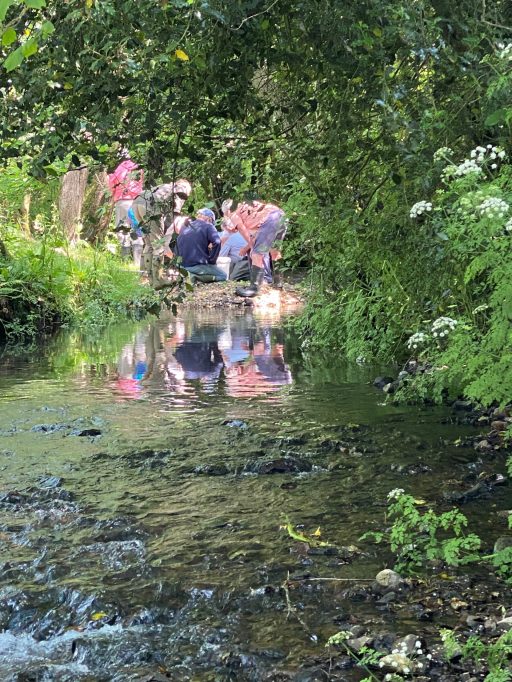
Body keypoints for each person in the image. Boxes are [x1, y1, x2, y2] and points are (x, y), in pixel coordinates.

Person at [131, 179, 192, 288]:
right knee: (158, 244)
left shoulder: (165, 186)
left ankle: (145, 277)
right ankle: (158, 279)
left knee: (149, 243)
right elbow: (174, 215)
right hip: (150, 206)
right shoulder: (180, 189)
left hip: (137, 202)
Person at [222, 198, 287, 297]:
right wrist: (250, 245)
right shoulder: (247, 207)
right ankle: (278, 282)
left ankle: (254, 288)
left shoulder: (233, 212)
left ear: (228, 211)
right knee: (274, 251)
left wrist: (252, 247)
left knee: (256, 254)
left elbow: (242, 228)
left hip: (270, 220)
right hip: (281, 215)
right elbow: (259, 233)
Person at [175, 207, 227, 283]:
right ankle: (194, 276)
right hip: (196, 266)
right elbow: (217, 242)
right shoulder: (208, 226)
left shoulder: (185, 226)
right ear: (209, 219)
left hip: (181, 266)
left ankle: (187, 275)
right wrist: (212, 261)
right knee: (222, 275)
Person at [107, 158, 144, 261]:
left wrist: (113, 192)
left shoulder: (121, 167)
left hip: (123, 201)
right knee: (137, 228)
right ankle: (137, 262)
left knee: (123, 228)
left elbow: (113, 182)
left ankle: (125, 260)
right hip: (137, 201)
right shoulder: (138, 168)